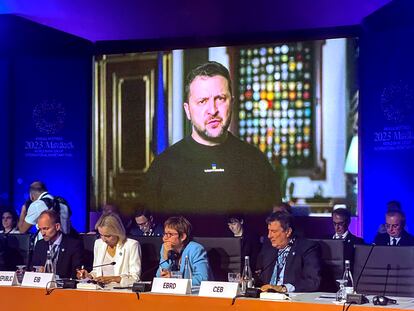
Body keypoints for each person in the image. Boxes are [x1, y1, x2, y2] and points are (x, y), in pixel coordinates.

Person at [142, 61, 280, 214]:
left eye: (220, 99)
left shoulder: (257, 162)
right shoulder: (162, 167)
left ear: (232, 103)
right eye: (202, 101)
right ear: (187, 110)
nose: (212, 110)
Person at [256, 211, 321, 293]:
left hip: (293, 301)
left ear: (288, 232)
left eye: (274, 231)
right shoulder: (268, 248)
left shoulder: (307, 248)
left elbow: (313, 281)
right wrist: (248, 280)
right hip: (266, 299)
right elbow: (260, 276)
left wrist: (283, 288)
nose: (269, 236)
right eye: (269, 231)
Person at [77, 213, 141, 285]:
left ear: (117, 232)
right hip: (99, 290)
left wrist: (112, 279)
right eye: (101, 235)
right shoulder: (99, 244)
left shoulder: (132, 245)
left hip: (121, 291)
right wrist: (88, 275)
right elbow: (96, 272)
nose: (104, 239)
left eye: (108, 236)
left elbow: (135, 278)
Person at [157, 216, 211, 286]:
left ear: (182, 236)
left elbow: (202, 279)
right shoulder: (165, 248)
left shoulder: (195, 249)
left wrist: (174, 279)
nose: (164, 238)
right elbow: (159, 277)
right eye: (165, 234)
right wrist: (165, 258)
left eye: (170, 234)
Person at [32, 210, 83, 279]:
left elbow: (76, 272)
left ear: (57, 226)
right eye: (40, 229)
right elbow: (33, 268)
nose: (42, 233)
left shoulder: (73, 245)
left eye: (45, 229)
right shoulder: (40, 245)